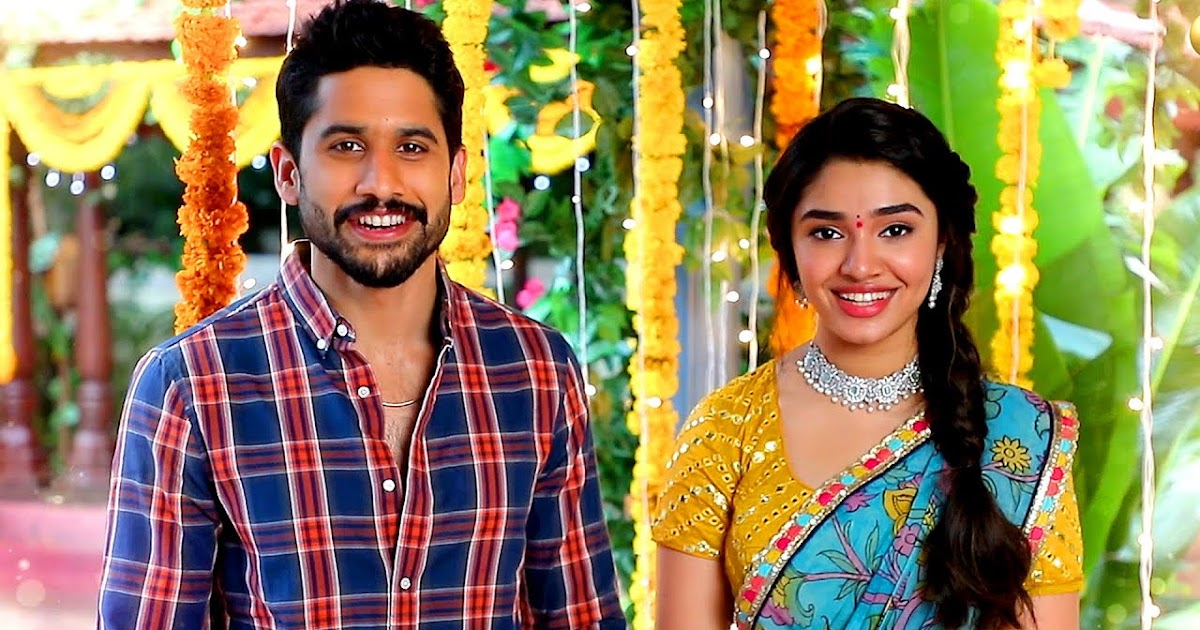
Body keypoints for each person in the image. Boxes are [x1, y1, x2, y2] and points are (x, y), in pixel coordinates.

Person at [97, 1, 624, 627]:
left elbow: (580, 617)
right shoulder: (192, 384)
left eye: (412, 146)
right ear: (289, 173)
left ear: (456, 173)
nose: (382, 183)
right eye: (347, 146)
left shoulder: (535, 370)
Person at [652, 98, 1082, 629]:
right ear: (789, 251)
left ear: (942, 242)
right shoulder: (726, 429)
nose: (860, 265)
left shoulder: (1021, 437)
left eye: (895, 230)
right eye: (827, 233)